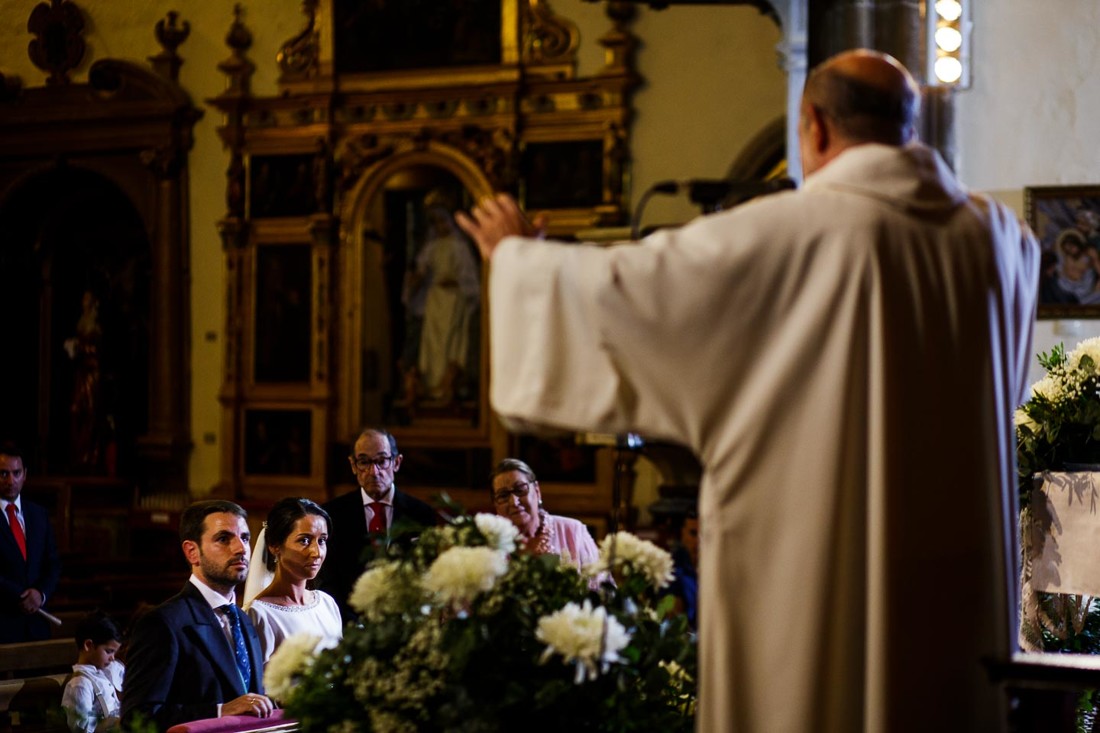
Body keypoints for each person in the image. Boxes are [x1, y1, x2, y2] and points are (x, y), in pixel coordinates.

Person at [457, 49, 1038, 732]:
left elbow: (628, 291)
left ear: (813, 125)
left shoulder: (782, 234)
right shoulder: (1002, 240)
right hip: (955, 579)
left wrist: (518, 259)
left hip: (817, 563)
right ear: (909, 124)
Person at [120, 500, 274, 730]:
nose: (240, 549)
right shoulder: (162, 623)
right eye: (224, 539)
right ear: (192, 552)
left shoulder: (242, 618)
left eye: (244, 538)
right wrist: (219, 711)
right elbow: (136, 719)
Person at [318, 427, 438, 623]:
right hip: (347, 624)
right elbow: (327, 580)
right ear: (353, 465)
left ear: (396, 462)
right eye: (364, 462)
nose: (374, 472)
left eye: (382, 461)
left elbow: (428, 575)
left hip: (406, 622)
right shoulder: (332, 514)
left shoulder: (421, 515)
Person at [244, 498, 342, 668]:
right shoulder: (259, 615)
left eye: (322, 541)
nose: (317, 552)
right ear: (275, 546)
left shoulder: (327, 603)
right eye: (304, 541)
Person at [0, 440, 61, 643]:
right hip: (4, 622)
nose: (11, 480)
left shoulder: (39, 514)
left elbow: (53, 564)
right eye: (4, 473)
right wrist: (21, 596)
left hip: (37, 625)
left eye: (16, 473)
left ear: (24, 475)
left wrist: (40, 594)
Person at [489, 457, 599, 569]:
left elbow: (600, 579)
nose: (514, 502)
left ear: (537, 491)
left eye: (520, 490)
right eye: (503, 495)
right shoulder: (487, 545)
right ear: (495, 504)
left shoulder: (573, 531)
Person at [62, 610, 125, 733]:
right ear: (88, 645)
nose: (112, 658)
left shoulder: (109, 670)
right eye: (109, 651)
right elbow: (82, 727)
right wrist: (115, 723)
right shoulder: (80, 684)